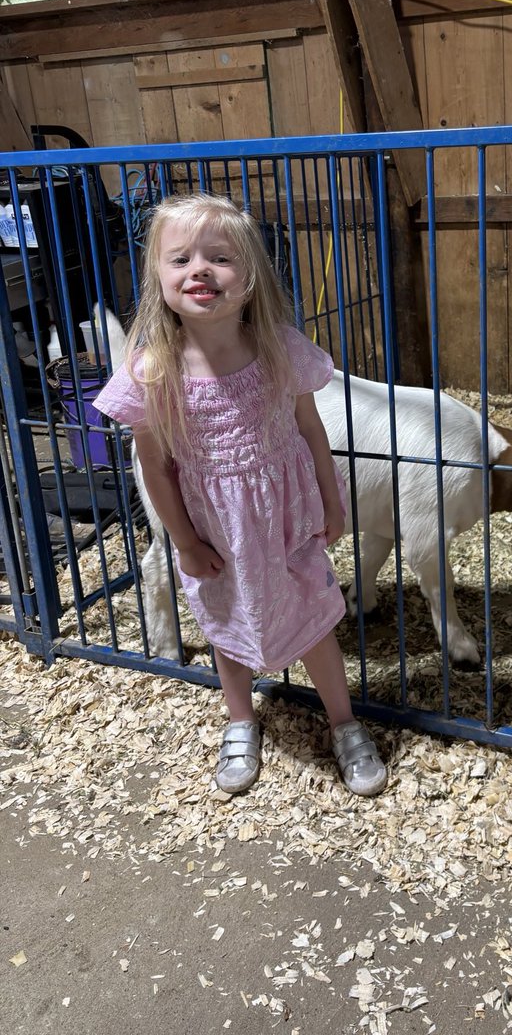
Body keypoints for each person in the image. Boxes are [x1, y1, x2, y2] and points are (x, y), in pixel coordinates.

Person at [94, 193, 387, 798]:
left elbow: (311, 430)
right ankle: (240, 721)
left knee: (312, 621)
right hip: (215, 531)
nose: (198, 270)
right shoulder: (154, 369)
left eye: (218, 257)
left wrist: (333, 504)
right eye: (179, 259)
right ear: (158, 276)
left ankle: (344, 723)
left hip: (286, 519)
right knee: (226, 624)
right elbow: (154, 467)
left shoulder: (278, 347)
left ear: (249, 277)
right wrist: (185, 541)